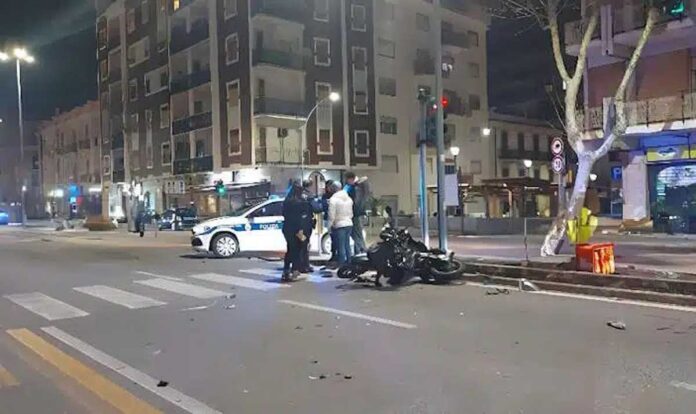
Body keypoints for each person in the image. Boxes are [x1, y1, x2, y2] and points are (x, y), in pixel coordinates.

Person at [281, 182, 311, 281]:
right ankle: (295, 270)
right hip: (298, 229)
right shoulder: (301, 202)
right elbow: (303, 217)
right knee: (299, 249)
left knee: (290, 248)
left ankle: (286, 270)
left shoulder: (286, 202)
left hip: (287, 228)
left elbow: (284, 214)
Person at [327, 181, 353, 265]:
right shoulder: (349, 198)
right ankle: (349, 263)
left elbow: (331, 215)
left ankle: (341, 264)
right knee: (347, 245)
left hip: (339, 224)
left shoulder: (333, 199)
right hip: (349, 223)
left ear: (333, 189)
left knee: (340, 246)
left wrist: (329, 226)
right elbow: (351, 213)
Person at [344, 171, 369, 255]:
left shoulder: (356, 187)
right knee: (358, 233)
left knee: (356, 233)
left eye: (347, 180)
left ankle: (362, 249)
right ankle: (359, 251)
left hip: (356, 214)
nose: (346, 181)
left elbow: (357, 202)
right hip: (359, 213)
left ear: (350, 179)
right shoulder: (360, 186)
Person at [321, 180, 339, 263]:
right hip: (328, 219)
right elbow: (324, 206)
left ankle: (337, 255)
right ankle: (334, 254)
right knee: (332, 237)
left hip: (337, 219)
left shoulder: (337, 195)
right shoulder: (325, 196)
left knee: (337, 238)